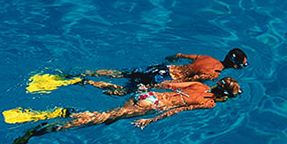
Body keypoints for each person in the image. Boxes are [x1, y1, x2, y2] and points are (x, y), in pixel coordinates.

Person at [0, 77, 243, 144]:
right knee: (99, 118)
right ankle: (42, 125)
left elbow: (170, 84)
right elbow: (178, 109)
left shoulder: (201, 84)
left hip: (150, 93)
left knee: (110, 110)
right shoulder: (208, 103)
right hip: (150, 106)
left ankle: (82, 80)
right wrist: (149, 120)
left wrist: (144, 86)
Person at [75, 48, 248, 95]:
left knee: (121, 74)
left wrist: (168, 61)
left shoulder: (206, 57)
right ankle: (87, 83)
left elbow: (180, 54)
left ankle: (89, 73)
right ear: (235, 65)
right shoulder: (215, 73)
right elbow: (194, 80)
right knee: (124, 91)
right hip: (166, 77)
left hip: (163, 67)